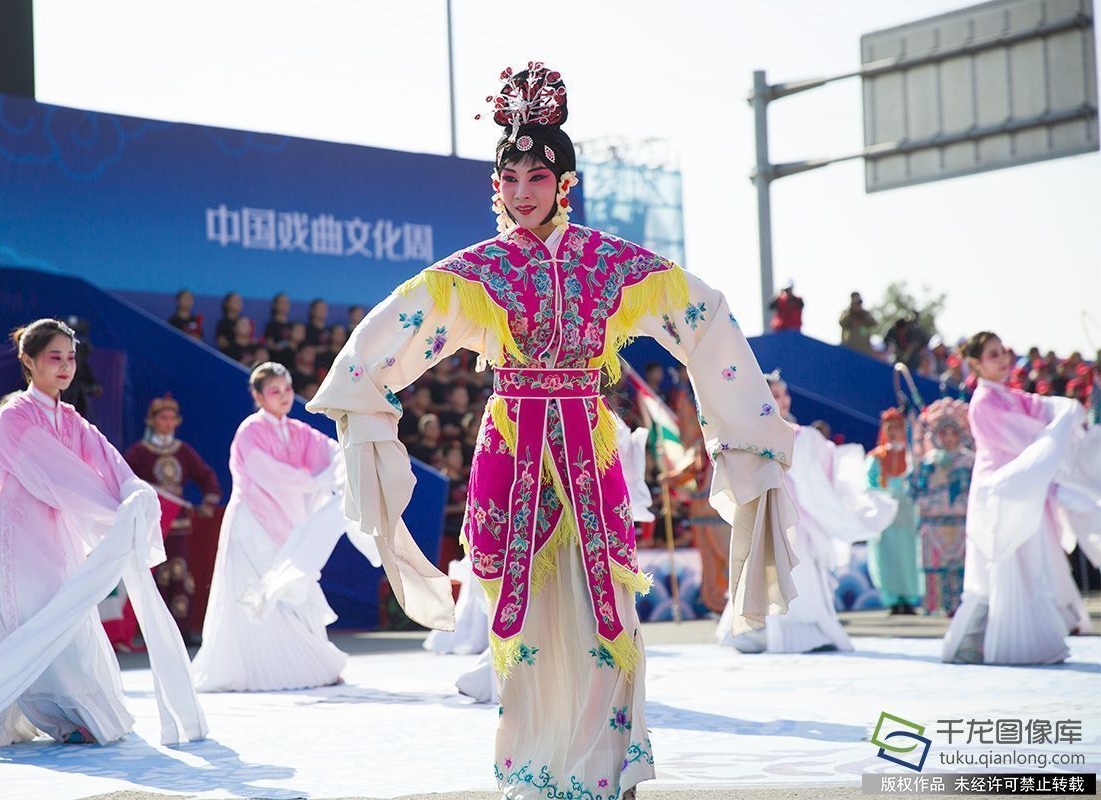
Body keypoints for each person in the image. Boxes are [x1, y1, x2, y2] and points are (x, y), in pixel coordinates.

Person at [307, 63, 798, 799]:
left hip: (588, 445)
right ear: (496, 188)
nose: (524, 190)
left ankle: (611, 768)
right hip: (511, 448)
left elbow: (706, 315)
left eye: (540, 176)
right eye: (511, 178)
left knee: (613, 615)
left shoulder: (612, 263)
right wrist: (357, 396)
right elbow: (392, 331)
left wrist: (749, 425)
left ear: (565, 184)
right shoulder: (477, 271)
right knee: (524, 624)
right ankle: (533, 770)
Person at [0, 319, 205, 759]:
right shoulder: (15, 415)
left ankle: (73, 718)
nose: (65, 366)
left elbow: (109, 460)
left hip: (54, 535)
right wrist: (113, 510)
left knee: (68, 626)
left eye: (71, 357)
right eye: (54, 357)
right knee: (37, 628)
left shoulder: (70, 418)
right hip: (15, 537)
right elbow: (58, 477)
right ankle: (54, 718)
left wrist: (135, 492)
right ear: (28, 361)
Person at [192, 363, 376, 691]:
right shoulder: (249, 431)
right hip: (252, 524)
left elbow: (332, 454)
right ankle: (256, 669)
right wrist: (315, 480)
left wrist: (340, 474)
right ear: (258, 396)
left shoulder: (298, 431)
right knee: (258, 591)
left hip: (288, 524)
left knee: (294, 587)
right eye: (275, 391)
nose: (284, 396)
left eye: (287, 389)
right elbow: (268, 474)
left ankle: (313, 664)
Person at [942, 332, 1098, 665]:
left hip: (1023, 488)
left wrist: (1067, 408)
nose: (1002, 360)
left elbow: (1044, 408)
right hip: (1001, 490)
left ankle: (1029, 640)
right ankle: (993, 644)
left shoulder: (1011, 396)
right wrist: (1054, 432)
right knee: (1003, 565)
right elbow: (1025, 438)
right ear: (976, 364)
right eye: (993, 355)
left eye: (1003, 353)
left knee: (1031, 563)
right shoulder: (985, 401)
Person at [717, 372, 897, 653]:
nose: (783, 401)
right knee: (764, 571)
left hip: (795, 515)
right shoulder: (752, 435)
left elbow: (822, 474)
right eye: (775, 396)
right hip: (765, 511)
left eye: (784, 394)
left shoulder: (800, 435)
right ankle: (756, 632)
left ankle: (802, 632)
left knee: (798, 573)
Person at [124, 394, 223, 640]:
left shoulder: (183, 451)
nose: (168, 422)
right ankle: (155, 633)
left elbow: (206, 476)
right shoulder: (139, 452)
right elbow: (125, 480)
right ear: (152, 421)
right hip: (152, 524)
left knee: (179, 573)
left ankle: (181, 631)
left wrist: (208, 501)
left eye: (172, 418)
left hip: (179, 523)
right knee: (157, 575)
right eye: (163, 417)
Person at [913, 398, 974, 617]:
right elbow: (915, 490)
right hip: (934, 522)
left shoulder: (970, 461)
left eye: (954, 433)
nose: (949, 439)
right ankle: (936, 606)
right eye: (944, 434)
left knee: (964, 568)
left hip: (962, 520)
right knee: (935, 569)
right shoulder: (928, 462)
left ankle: (964, 605)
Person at [865, 408, 923, 615]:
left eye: (897, 428)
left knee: (909, 557)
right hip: (885, 517)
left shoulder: (913, 458)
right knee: (887, 557)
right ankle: (892, 599)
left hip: (908, 517)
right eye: (889, 428)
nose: (893, 432)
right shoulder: (876, 458)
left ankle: (909, 598)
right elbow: (868, 487)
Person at [839, 291, 876, 356]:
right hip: (849, 349)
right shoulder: (846, 313)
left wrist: (862, 314)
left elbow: (874, 323)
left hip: (865, 351)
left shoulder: (865, 313)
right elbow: (841, 322)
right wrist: (851, 313)